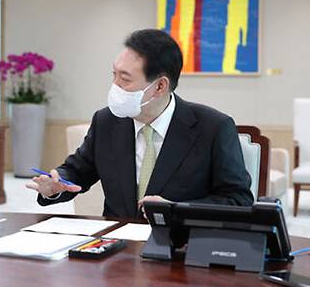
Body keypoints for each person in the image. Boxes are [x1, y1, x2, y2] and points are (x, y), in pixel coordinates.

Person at [27, 29, 253, 219]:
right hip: (117, 246)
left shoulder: (213, 127)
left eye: (125, 79)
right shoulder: (106, 121)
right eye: (114, 75)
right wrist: (54, 187)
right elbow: (77, 172)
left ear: (160, 86)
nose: (115, 86)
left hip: (181, 247)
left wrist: (178, 210)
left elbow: (238, 199)